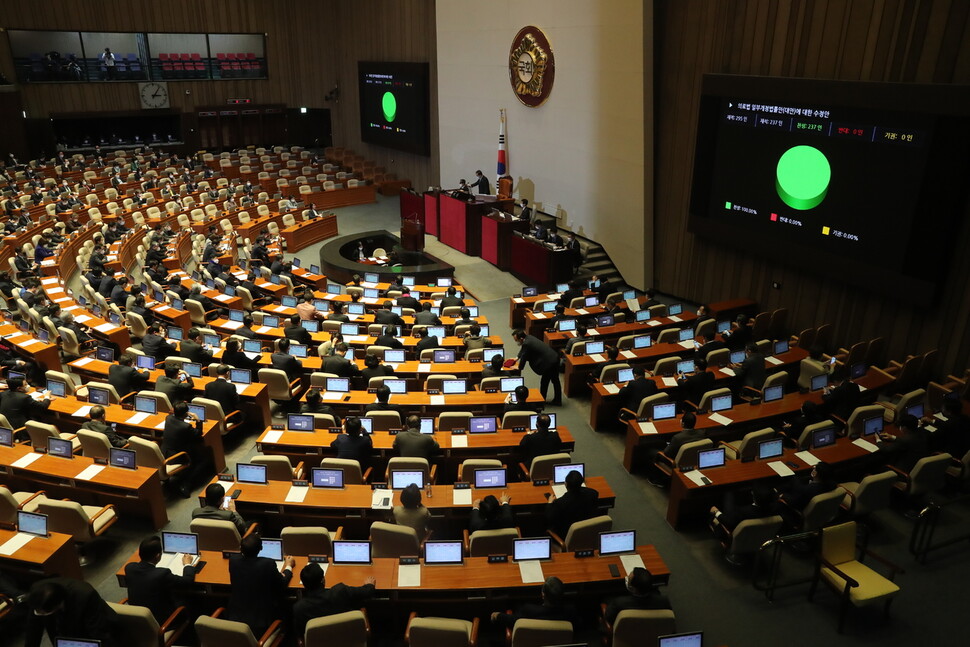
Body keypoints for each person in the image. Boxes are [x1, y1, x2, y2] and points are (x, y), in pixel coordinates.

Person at [225, 534, 295, 637]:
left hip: (235, 618)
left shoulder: (233, 561)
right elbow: (282, 583)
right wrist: (288, 566)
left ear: (241, 549)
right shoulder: (268, 564)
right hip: (261, 625)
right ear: (261, 548)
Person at [23, 577, 119, 647]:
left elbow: (98, 631)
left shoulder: (85, 595)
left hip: (95, 625)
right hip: (64, 632)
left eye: (42, 613)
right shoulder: (37, 592)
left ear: (57, 605)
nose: (37, 613)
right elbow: (33, 628)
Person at [124, 536, 199, 624]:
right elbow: (187, 582)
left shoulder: (129, 568)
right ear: (158, 556)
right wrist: (187, 564)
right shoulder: (162, 574)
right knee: (191, 599)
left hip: (136, 618)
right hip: (162, 621)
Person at [291, 562, 376, 638]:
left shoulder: (299, 608)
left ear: (304, 585)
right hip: (346, 638)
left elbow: (300, 634)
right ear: (323, 580)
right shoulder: (340, 592)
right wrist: (369, 585)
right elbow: (367, 592)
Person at [491, 576, 572, 630]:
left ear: (543, 594)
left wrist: (497, 615)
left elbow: (513, 620)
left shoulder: (529, 610)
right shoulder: (570, 612)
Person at [709, 486, 779, 547]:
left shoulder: (744, 512)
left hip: (734, 536)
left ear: (755, 497)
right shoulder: (775, 509)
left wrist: (716, 512)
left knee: (728, 493)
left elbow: (728, 522)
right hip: (761, 539)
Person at [162, 402, 205, 497]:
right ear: (186, 414)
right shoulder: (185, 427)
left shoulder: (168, 418)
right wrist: (198, 420)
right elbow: (198, 434)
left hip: (164, 452)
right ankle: (187, 484)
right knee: (201, 461)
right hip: (177, 457)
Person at [602, 567, 671, 625]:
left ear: (633, 589)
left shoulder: (619, 603)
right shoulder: (664, 601)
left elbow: (609, 618)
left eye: (628, 579)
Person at [512, 329, 562, 406]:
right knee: (555, 380)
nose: (516, 342)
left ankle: (542, 401)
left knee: (545, 382)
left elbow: (524, 358)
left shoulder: (527, 343)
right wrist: (517, 357)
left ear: (521, 339)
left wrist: (519, 368)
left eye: (516, 340)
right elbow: (523, 349)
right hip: (554, 357)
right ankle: (557, 400)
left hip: (549, 363)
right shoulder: (528, 337)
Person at [546, 469, 599, 538]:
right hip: (586, 530)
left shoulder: (560, 503)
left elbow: (549, 518)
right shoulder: (593, 494)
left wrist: (550, 503)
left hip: (566, 534)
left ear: (566, 484)